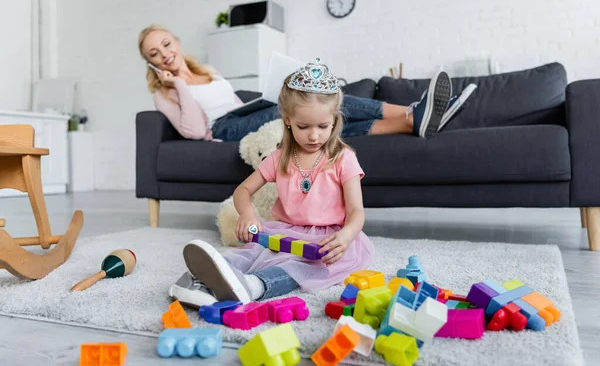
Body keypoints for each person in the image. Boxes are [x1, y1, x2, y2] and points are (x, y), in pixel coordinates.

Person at [171, 60, 377, 306]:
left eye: (323, 126)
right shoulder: (280, 157)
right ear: (288, 120)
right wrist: (247, 214)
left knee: (302, 267)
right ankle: (202, 278)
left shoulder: (344, 158)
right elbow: (243, 190)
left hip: (328, 239)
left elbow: (356, 211)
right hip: (285, 232)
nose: (314, 135)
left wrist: (345, 236)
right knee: (250, 254)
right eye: (304, 126)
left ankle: (254, 286)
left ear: (334, 121)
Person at [138, 24, 476, 142]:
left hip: (244, 114)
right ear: (151, 62)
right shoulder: (163, 94)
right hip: (223, 130)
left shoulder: (208, 70)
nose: (164, 54)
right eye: (155, 53)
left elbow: (235, 103)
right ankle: (415, 112)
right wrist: (178, 84)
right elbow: (195, 131)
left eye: (166, 44)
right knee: (307, 106)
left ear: (177, 42)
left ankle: (411, 122)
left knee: (318, 107)